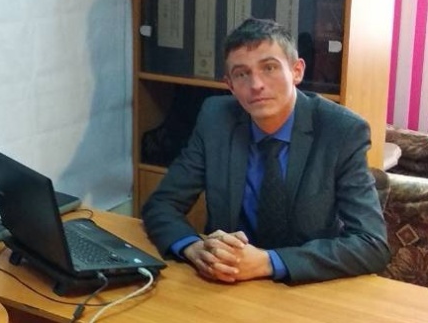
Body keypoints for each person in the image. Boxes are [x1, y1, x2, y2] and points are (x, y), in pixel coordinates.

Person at [141, 18, 390, 284]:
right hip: (224, 283)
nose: (256, 84)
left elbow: (371, 244)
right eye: (241, 74)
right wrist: (193, 248)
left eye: (269, 68)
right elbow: (161, 205)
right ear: (230, 85)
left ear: (296, 71)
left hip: (305, 287)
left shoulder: (341, 131)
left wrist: (268, 262)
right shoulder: (216, 119)